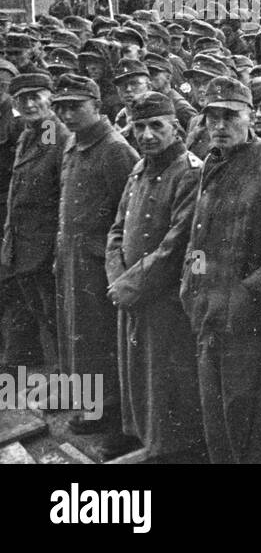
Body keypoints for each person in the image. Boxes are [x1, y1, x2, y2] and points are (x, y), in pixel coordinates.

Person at [181, 76, 261, 464]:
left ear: (250, 116)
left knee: (253, 427)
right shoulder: (213, 160)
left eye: (230, 116)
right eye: (212, 117)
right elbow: (200, 232)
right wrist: (191, 283)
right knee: (218, 422)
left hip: (253, 327)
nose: (220, 126)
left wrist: (247, 293)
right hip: (211, 317)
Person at [105, 92, 206, 463]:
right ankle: (149, 440)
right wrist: (117, 277)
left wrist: (130, 285)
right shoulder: (139, 168)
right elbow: (117, 229)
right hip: (132, 292)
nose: (146, 135)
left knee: (166, 376)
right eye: (140, 127)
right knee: (140, 372)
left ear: (175, 127)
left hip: (164, 297)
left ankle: (171, 448)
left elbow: (176, 245)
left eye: (156, 126)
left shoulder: (189, 173)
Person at [52, 74, 140, 455]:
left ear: (97, 106)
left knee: (103, 340)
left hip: (99, 263)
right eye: (61, 108)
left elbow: (129, 212)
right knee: (80, 336)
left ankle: (111, 412)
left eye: (76, 106)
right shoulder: (73, 142)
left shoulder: (115, 149)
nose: (67, 114)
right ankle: (93, 403)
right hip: (73, 259)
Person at [1, 74, 69, 367]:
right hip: (26, 245)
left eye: (35, 97)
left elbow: (63, 196)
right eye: (21, 99)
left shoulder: (52, 134)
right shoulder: (29, 134)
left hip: (45, 247)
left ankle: (64, 377)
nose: (29, 104)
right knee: (42, 315)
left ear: (50, 98)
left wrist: (57, 249)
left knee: (55, 317)